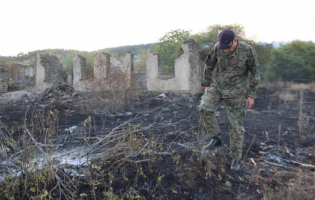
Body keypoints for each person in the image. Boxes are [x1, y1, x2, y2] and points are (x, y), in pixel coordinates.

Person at [199, 29, 260, 171]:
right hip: (218, 87)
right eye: (223, 47)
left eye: (228, 47)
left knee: (236, 126)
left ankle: (236, 158)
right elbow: (209, 64)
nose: (225, 50)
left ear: (235, 41)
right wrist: (207, 84)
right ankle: (216, 138)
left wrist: (252, 95)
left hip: (236, 92)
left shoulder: (247, 50)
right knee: (204, 108)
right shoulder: (218, 47)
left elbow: (255, 72)